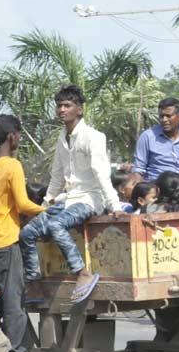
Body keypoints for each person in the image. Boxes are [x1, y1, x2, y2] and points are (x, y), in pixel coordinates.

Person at [19, 85, 121, 303]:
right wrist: (46, 206)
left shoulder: (93, 137)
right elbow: (57, 175)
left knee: (56, 226)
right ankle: (35, 283)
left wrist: (114, 205)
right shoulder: (62, 139)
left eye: (67, 105)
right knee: (27, 233)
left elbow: (101, 173)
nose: (62, 110)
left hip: (89, 199)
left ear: (80, 109)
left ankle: (82, 273)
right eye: (59, 106)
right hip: (69, 199)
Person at [0, 114, 46, 352]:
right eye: (19, 135)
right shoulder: (12, 166)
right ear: (12, 136)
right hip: (7, 239)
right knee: (13, 300)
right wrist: (48, 209)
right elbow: (23, 204)